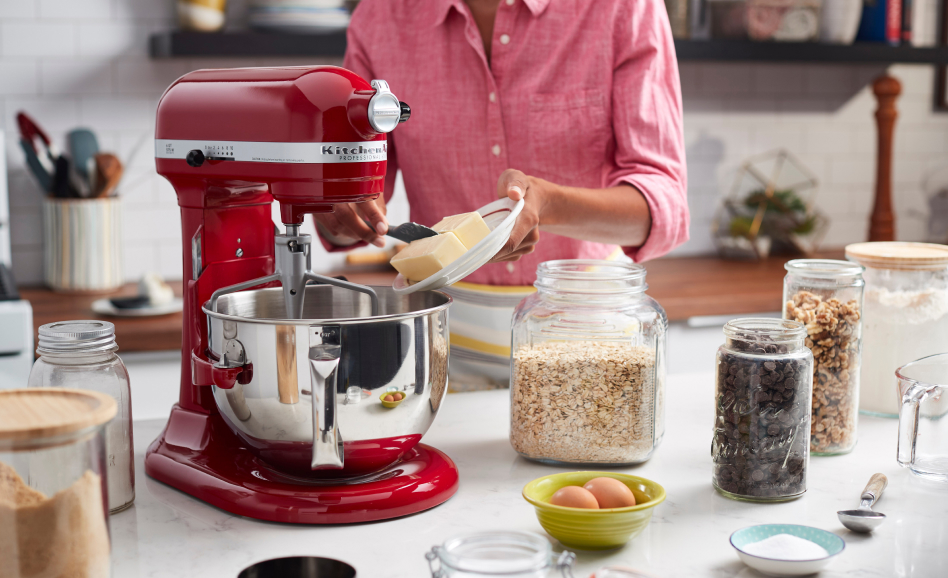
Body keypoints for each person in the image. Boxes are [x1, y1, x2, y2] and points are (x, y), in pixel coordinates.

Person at [316, 0, 688, 388]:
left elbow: (664, 207)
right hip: (444, 344)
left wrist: (550, 202)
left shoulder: (624, 8)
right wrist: (338, 209)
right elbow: (348, 206)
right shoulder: (381, 16)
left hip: (591, 336)